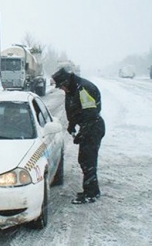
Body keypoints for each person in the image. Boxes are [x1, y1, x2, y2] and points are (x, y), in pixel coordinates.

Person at [51, 68, 106, 204]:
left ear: (66, 82)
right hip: (88, 127)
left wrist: (83, 133)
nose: (62, 89)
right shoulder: (72, 89)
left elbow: (90, 114)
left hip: (93, 128)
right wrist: (72, 124)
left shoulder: (83, 90)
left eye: (61, 86)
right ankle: (90, 189)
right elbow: (74, 109)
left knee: (88, 161)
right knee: (84, 160)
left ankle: (91, 193)